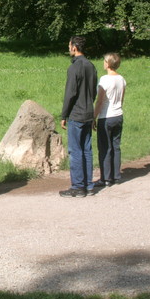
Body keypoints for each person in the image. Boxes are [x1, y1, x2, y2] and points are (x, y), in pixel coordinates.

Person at [59, 36, 97, 198]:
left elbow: (70, 94)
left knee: (75, 151)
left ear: (74, 47)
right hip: (89, 112)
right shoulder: (91, 66)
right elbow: (94, 91)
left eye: (69, 45)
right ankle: (88, 185)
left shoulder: (74, 68)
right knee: (87, 150)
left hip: (77, 114)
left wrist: (64, 115)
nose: (68, 48)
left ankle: (78, 186)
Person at [93, 53, 126, 187]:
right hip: (118, 115)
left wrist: (93, 117)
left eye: (104, 60)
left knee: (105, 147)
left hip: (106, 117)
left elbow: (99, 101)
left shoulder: (105, 80)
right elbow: (121, 99)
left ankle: (105, 178)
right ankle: (116, 176)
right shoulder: (121, 79)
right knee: (115, 146)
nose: (103, 62)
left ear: (108, 63)